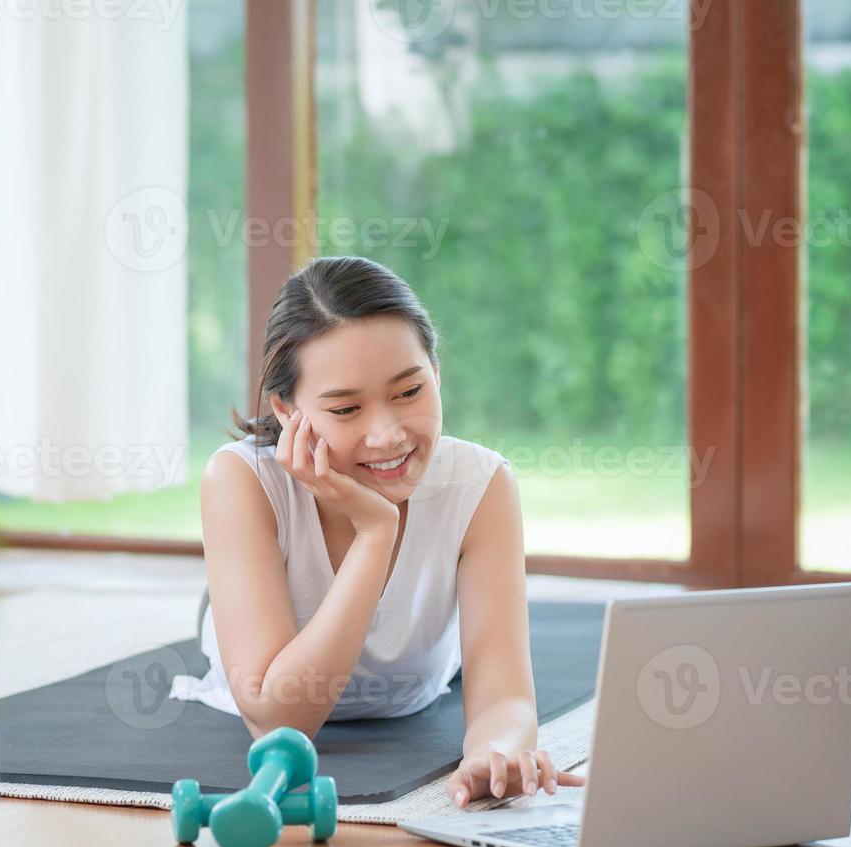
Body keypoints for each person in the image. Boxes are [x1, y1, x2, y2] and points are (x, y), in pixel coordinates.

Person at [169, 255, 585, 809]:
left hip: (414, 678)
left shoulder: (480, 482)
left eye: (410, 392)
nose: (388, 435)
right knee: (244, 612)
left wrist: (496, 751)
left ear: (436, 374)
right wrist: (375, 532)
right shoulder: (240, 479)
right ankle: (223, 599)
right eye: (345, 408)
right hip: (264, 645)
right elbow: (277, 718)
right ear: (286, 409)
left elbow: (504, 696)